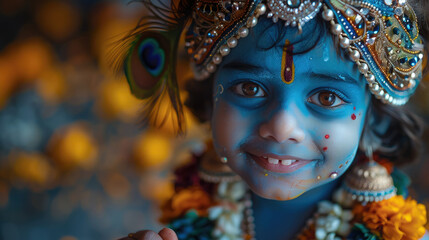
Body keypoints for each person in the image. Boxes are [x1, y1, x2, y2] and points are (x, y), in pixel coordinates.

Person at [117, 0, 429, 239]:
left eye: (326, 98)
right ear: (211, 99)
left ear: (377, 121)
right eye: (249, 88)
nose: (281, 127)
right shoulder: (189, 212)